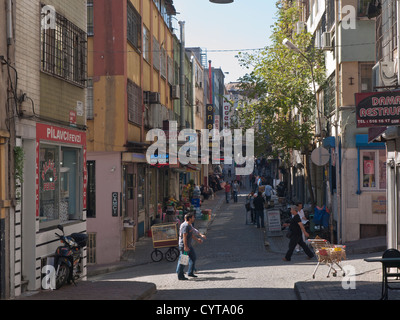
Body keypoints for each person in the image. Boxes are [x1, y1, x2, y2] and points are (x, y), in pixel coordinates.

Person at [176, 213, 204, 280]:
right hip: (184, 246)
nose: (194, 218)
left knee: (193, 257)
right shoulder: (185, 226)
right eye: (193, 217)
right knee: (183, 260)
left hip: (189, 245)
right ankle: (180, 275)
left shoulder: (189, 225)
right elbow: (184, 237)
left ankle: (190, 272)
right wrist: (185, 247)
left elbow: (191, 234)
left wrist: (197, 239)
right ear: (190, 218)